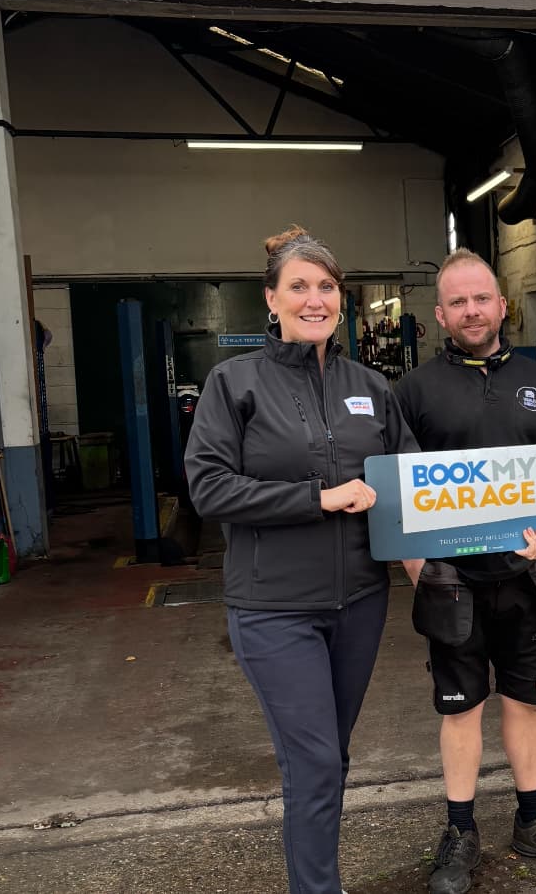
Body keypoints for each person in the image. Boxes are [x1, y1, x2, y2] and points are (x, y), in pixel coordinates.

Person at [185, 225, 418, 894]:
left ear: (341, 299)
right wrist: (317, 497)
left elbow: (411, 490)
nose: (314, 299)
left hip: (359, 605)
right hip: (273, 609)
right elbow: (208, 488)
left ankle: (319, 879)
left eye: (326, 286)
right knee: (314, 760)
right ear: (272, 298)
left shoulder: (371, 386)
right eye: (299, 286)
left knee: (329, 759)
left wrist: (504, 529)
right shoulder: (234, 383)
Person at [397, 248, 536, 894]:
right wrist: (418, 571)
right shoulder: (411, 391)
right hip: (451, 583)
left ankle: (533, 819)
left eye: (481, 297)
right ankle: (459, 829)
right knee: (460, 709)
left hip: (526, 580)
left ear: (501, 303)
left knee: (525, 700)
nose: (471, 310)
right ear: (438, 315)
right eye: (457, 301)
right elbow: (400, 496)